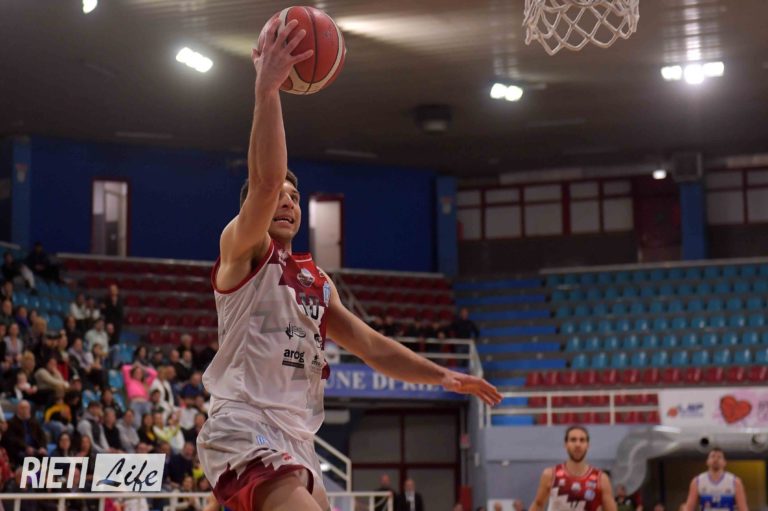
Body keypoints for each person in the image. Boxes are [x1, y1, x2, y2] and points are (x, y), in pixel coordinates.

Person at [196, 17, 501, 511]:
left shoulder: (315, 282)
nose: (286, 201)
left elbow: (372, 346)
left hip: (297, 437)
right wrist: (267, 90)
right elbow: (266, 181)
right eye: (278, 196)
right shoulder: (242, 247)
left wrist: (442, 376)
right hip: (245, 424)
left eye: (295, 197)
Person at [529, 426, 617, 511]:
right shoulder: (550, 474)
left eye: (582, 440)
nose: (578, 444)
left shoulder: (601, 479)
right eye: (573, 440)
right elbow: (538, 504)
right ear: (566, 445)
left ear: (588, 445)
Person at [684, 448, 748, 511]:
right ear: (707, 461)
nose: (715, 459)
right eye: (712, 456)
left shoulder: (735, 482)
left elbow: (743, 509)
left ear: (724, 462)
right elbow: (689, 508)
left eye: (719, 457)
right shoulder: (697, 481)